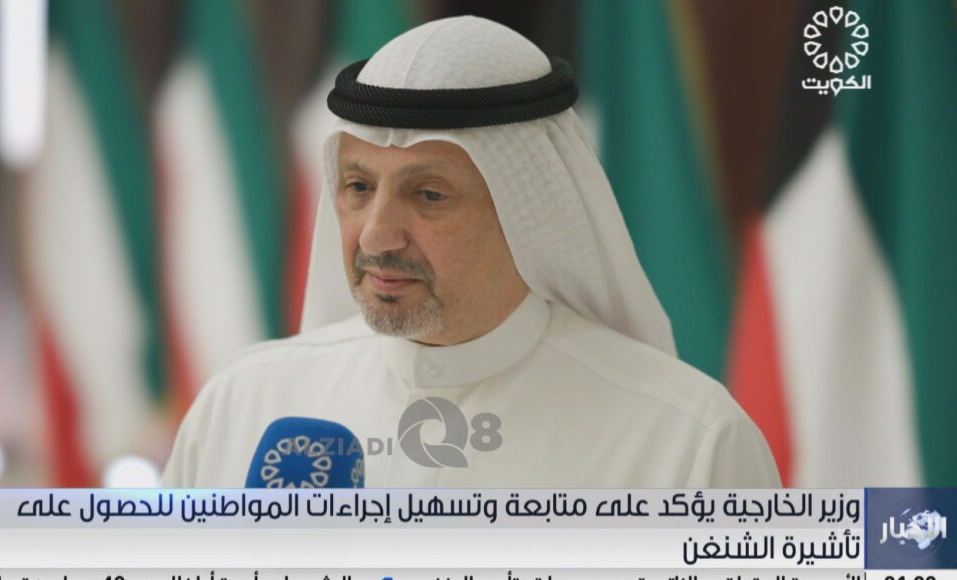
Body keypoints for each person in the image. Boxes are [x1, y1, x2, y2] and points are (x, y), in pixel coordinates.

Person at [163, 16, 780, 488]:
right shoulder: (242, 407)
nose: (375, 236)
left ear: (528, 210)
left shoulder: (686, 444)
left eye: (429, 194)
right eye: (358, 187)